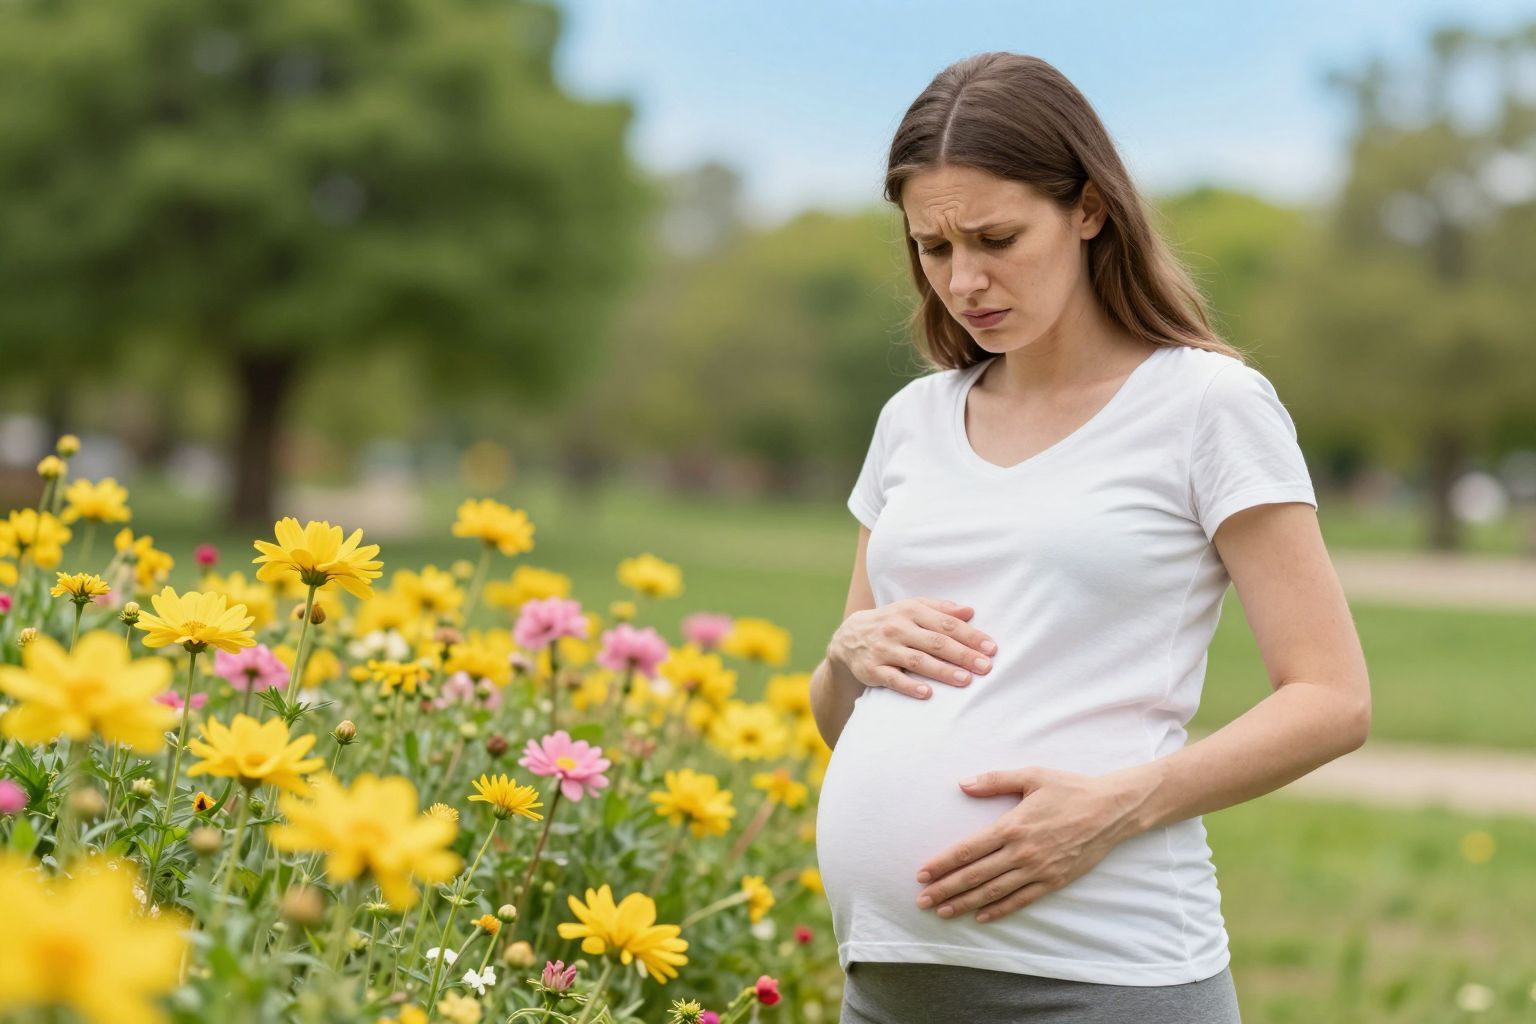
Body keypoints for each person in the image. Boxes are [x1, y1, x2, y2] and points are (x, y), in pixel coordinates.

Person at [809, 52, 1371, 1023]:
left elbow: (1332, 698)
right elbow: (841, 718)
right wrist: (843, 653)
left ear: (1089, 209)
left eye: (996, 237)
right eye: (933, 250)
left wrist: (1121, 803)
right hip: (887, 988)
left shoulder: (1206, 405)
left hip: (1106, 978)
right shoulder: (911, 419)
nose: (965, 281)